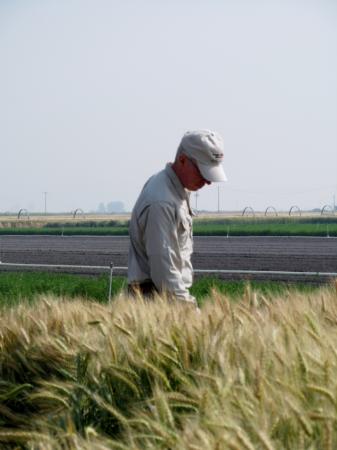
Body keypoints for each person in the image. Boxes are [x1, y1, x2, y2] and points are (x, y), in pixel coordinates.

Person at [127, 129, 227, 304]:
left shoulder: (172, 189)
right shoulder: (162, 202)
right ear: (182, 160)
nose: (208, 181)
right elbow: (165, 275)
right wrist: (190, 311)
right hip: (157, 302)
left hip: (164, 299)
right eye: (202, 172)